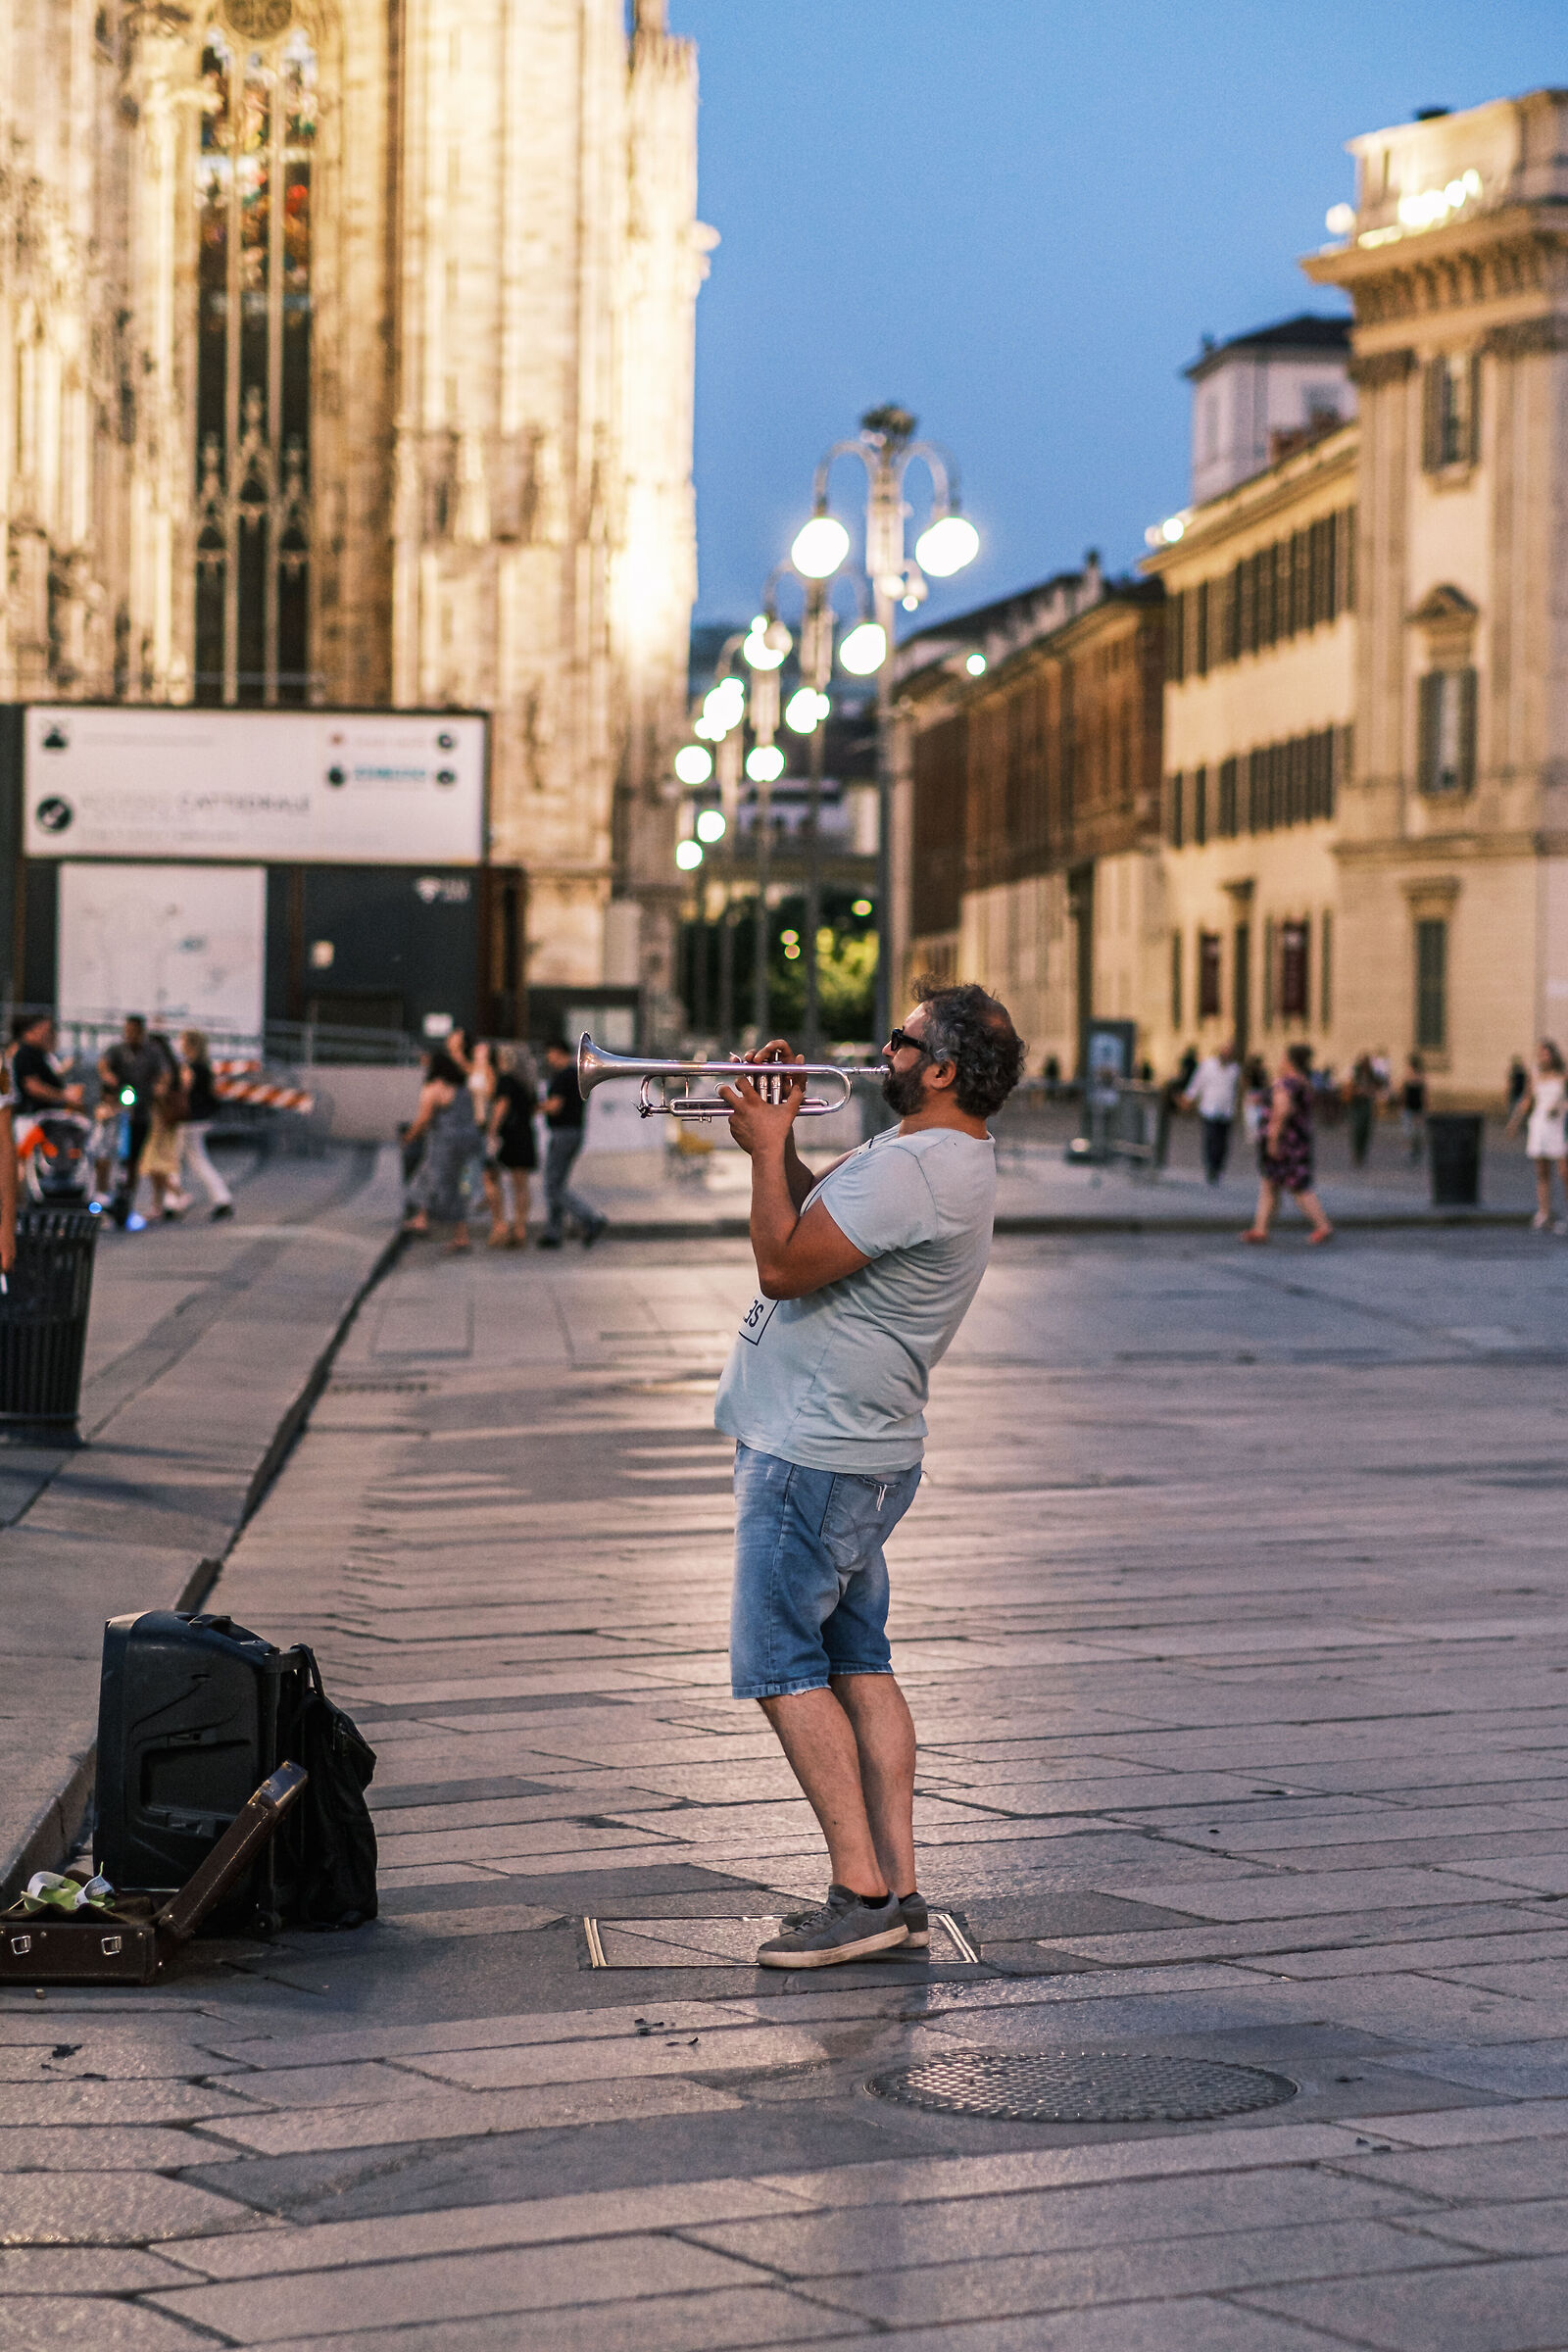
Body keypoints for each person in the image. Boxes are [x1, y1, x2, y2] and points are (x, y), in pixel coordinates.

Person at [713, 980, 1025, 1969]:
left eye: (900, 1040)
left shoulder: (920, 1167)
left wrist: (766, 1153)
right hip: (855, 1447)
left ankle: (858, 1892)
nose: (878, 1051)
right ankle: (898, 1883)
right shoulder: (933, 1154)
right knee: (858, 1661)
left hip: (816, 1452)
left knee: (777, 1662)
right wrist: (774, 1146)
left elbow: (784, 1261)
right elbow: (821, 1218)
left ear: (939, 1069)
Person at [1244, 1041, 1333, 1245]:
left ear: (1290, 1061)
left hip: (1286, 1143)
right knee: (1270, 1183)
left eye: (1283, 1057)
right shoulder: (1304, 1082)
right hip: (1298, 1141)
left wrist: (1273, 1139)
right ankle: (1260, 1228)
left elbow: (1282, 1110)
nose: (1280, 1061)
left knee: (1297, 1186)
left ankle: (1322, 1225)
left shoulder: (1286, 1084)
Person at [403, 1049, 483, 1251]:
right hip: (469, 1143)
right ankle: (439, 1225)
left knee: (433, 1180)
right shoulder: (463, 1088)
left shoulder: (433, 1088)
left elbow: (424, 1118)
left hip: (445, 1143)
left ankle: (435, 1225)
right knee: (454, 1185)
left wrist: (410, 1136)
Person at [99, 1015, 172, 1228]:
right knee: (105, 1153)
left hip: (141, 1110)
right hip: (118, 1109)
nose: (130, 1035)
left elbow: (164, 1073)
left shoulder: (152, 1052)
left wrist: (161, 1087)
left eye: (134, 1032)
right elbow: (104, 1064)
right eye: (127, 1031)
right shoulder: (117, 1050)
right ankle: (102, 1195)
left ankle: (128, 1196)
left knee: (134, 1159)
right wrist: (107, 1076)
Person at [538, 1039, 606, 1250]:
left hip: (563, 1133)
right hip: (574, 1132)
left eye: (549, 1053)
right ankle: (553, 1232)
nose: (548, 1058)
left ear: (557, 1052)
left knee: (553, 1186)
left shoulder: (562, 1075)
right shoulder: (575, 1075)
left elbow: (555, 1107)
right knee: (556, 1183)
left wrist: (533, 1106)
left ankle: (589, 1218)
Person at [1504, 1039, 1568, 1234]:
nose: (1543, 1057)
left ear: (1553, 1054)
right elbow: (1526, 1100)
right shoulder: (1535, 1075)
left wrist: (1560, 1108)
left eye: (1546, 1053)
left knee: (1564, 1172)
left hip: (1557, 1125)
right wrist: (1514, 1122)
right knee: (1542, 1172)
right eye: (1540, 1054)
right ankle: (1544, 1212)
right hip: (1539, 1124)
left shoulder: (1563, 1076)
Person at [484, 1044, 538, 1247]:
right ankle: (520, 1228)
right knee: (521, 1184)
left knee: (490, 1176)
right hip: (525, 1134)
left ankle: (500, 1225)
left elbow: (502, 1105)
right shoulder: (528, 1083)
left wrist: (492, 1130)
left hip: (508, 1136)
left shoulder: (505, 1080)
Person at [177, 1031, 233, 1220]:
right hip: (201, 1118)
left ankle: (174, 1200)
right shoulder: (206, 1066)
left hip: (187, 1119)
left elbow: (183, 1090)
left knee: (177, 1159)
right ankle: (221, 1198)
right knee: (194, 1159)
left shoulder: (190, 1067)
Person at [1182, 1041, 1240, 1184]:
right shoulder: (1207, 1066)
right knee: (1211, 1138)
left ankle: (1218, 1166)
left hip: (1226, 1110)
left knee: (1222, 1142)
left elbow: (1237, 1090)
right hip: (1209, 1108)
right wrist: (1189, 1098)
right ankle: (1210, 1167)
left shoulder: (1235, 1069)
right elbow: (1197, 1083)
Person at [10, 1014, 83, 1116]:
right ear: (30, 1031)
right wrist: (64, 1095)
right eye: (45, 1031)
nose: (49, 1035)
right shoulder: (25, 1053)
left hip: (43, 1116)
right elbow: (32, 1086)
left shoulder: (38, 1053)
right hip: (33, 1117)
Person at [1347, 1054, 1378, 1168]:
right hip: (1357, 1104)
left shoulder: (1371, 1075)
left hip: (1367, 1104)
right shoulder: (1356, 1074)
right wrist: (1358, 1091)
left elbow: (1375, 1088)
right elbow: (1350, 1087)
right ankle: (1357, 1152)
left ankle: (1362, 1153)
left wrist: (1369, 1092)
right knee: (1357, 1129)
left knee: (1365, 1130)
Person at [1400, 1053, 1427, 1162]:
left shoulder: (1421, 1077)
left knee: (1417, 1131)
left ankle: (1416, 1150)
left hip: (1417, 1107)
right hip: (1408, 1107)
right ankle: (1410, 1150)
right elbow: (1402, 1092)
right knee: (1409, 1131)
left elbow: (1425, 1094)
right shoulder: (1407, 1077)